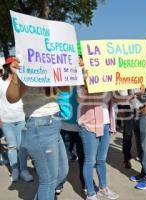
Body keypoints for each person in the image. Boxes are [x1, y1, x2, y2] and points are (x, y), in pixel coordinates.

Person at [6, 57, 69, 200]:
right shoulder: (26, 58)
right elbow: (11, 97)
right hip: (39, 125)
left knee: (62, 172)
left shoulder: (52, 60)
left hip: (54, 122)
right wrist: (16, 75)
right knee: (48, 181)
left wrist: (74, 71)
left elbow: (64, 89)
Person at [78, 65, 121, 199]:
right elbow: (80, 99)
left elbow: (117, 100)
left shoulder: (108, 82)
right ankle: (91, 193)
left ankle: (103, 188)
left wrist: (134, 92)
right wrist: (85, 83)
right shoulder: (84, 81)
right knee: (90, 161)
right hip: (89, 126)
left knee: (101, 160)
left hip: (105, 124)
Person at [0, 57, 33, 182]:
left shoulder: (21, 81)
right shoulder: (1, 82)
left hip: (21, 118)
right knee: (12, 146)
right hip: (6, 120)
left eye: (18, 65)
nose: (17, 66)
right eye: (14, 65)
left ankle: (24, 170)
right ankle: (15, 170)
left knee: (22, 146)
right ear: (8, 67)